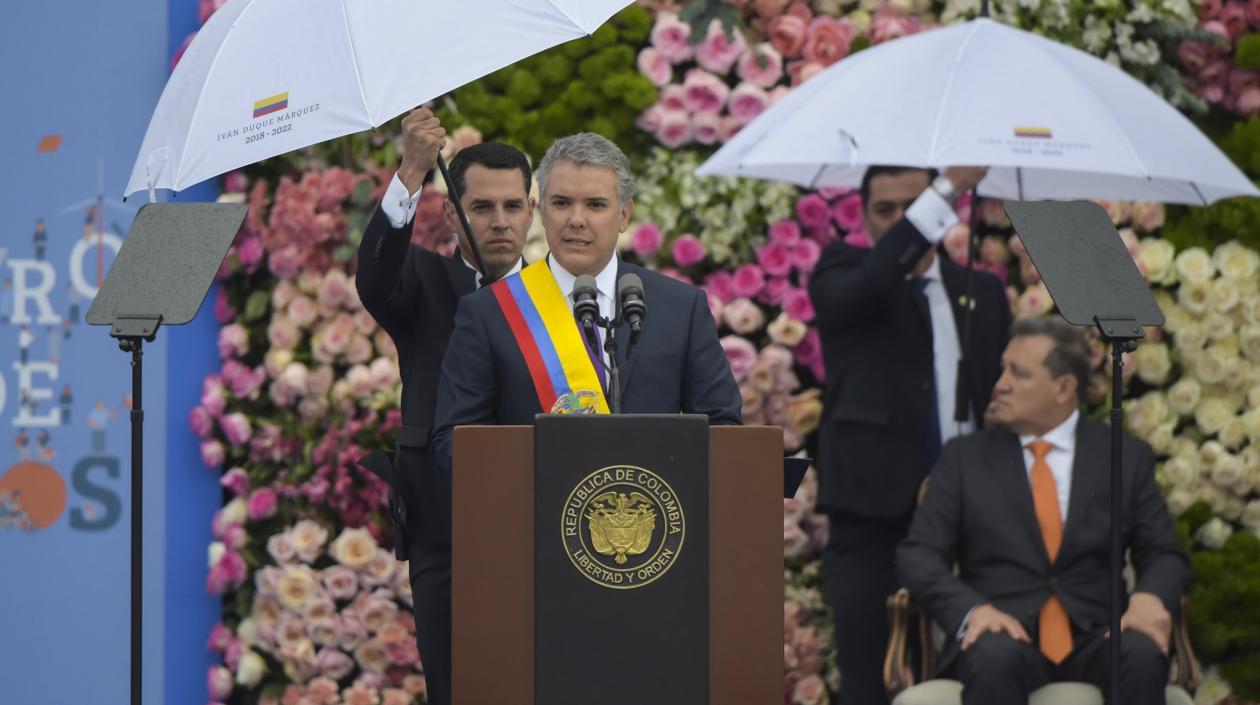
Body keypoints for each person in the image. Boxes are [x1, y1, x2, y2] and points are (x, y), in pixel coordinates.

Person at [898, 318, 1190, 705]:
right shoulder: (963, 459)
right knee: (993, 656)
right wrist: (974, 612)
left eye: (1018, 373)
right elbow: (918, 555)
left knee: (1139, 653)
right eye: (1004, 369)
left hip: (1097, 633)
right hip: (1003, 632)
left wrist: (1148, 599)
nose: (1000, 383)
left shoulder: (1123, 456)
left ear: (1064, 387)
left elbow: (1164, 552)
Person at [807, 165, 1011, 705]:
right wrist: (943, 192)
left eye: (912, 206)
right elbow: (871, 284)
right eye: (885, 211)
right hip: (872, 520)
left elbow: (999, 398)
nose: (903, 221)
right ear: (864, 218)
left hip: (974, 519)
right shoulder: (845, 275)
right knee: (869, 680)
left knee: (989, 666)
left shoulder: (982, 291)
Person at [431, 132, 741, 477]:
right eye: (562, 203)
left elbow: (725, 429)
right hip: (535, 522)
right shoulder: (489, 312)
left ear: (624, 215)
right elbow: (452, 447)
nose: (577, 219)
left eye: (595, 204)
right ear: (542, 212)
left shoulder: (680, 308)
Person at [355, 107, 532, 705]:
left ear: (532, 210)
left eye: (513, 206)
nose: (500, 222)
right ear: (453, 214)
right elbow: (375, 280)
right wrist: (411, 170)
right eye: (482, 208)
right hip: (445, 534)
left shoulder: (565, 299)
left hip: (547, 532)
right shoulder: (423, 284)